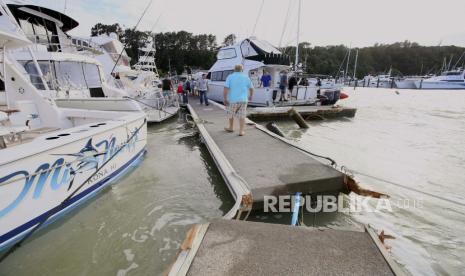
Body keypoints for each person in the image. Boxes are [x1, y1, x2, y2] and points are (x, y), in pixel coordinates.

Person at [224, 64, 253, 136]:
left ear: (234, 69)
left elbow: (225, 88)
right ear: (242, 70)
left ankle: (231, 127)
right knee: (242, 115)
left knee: (231, 114)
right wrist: (251, 96)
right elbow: (251, 88)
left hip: (232, 100)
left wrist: (225, 98)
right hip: (243, 100)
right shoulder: (246, 77)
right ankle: (241, 131)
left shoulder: (230, 77)